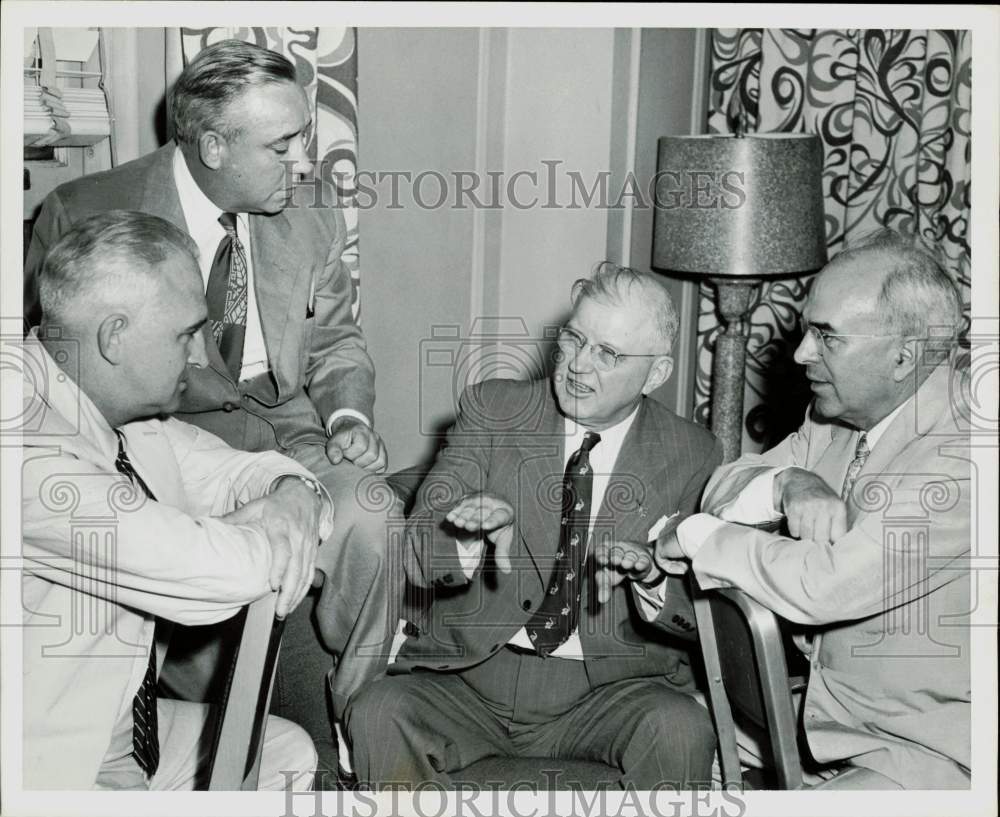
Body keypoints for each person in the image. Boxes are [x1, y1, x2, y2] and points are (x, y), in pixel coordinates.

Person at [23, 39, 400, 781]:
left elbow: (338, 341)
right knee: (181, 575)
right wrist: (273, 517)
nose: (303, 163)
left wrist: (345, 421)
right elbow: (70, 358)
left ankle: (359, 717)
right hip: (161, 421)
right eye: (284, 145)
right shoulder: (86, 209)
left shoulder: (313, 212)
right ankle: (205, 697)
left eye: (306, 140)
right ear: (214, 144)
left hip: (285, 421)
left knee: (375, 512)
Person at [345, 263, 723, 790]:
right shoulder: (495, 408)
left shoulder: (691, 452)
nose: (577, 366)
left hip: (606, 695)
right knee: (378, 712)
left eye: (608, 354)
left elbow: (697, 608)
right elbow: (421, 541)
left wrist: (654, 582)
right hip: (473, 682)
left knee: (681, 728)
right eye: (573, 339)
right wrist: (468, 540)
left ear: (656, 374)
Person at [21, 211, 333, 790]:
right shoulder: (24, 448)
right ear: (115, 336)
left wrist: (293, 493)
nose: (198, 355)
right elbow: (216, 577)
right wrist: (263, 527)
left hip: (113, 719)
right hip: (43, 759)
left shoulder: (110, 405)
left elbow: (246, 472)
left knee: (285, 752)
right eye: (185, 334)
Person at [658, 229, 971, 789]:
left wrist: (696, 535)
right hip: (819, 718)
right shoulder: (833, 421)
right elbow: (726, 482)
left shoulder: (961, 460)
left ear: (904, 355)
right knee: (655, 744)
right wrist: (787, 483)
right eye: (808, 330)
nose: (802, 353)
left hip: (921, 749)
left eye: (827, 336)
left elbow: (823, 587)